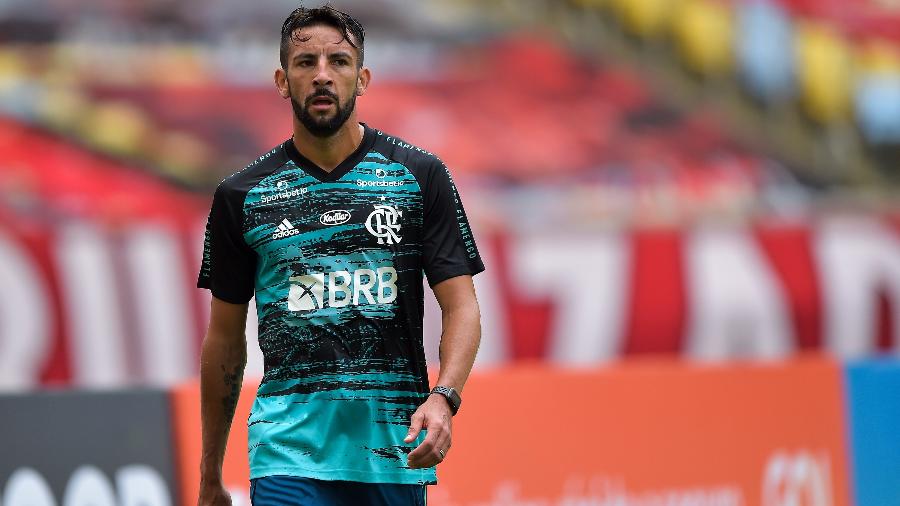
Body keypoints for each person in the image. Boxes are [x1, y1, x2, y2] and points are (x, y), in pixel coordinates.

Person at [196, 5, 484, 506]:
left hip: (392, 455)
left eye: (339, 62)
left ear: (363, 78)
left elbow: (463, 308)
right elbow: (223, 341)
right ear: (283, 82)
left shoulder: (419, 176)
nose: (323, 75)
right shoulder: (241, 195)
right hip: (287, 455)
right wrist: (209, 473)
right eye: (306, 63)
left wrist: (445, 397)